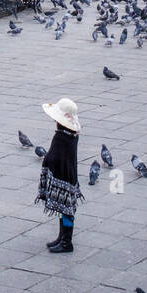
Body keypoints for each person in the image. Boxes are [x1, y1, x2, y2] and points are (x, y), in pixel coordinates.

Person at [35, 98, 84, 254]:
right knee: (64, 209)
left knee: (66, 210)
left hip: (63, 178)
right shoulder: (71, 134)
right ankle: (62, 236)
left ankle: (66, 242)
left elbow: (56, 156)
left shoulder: (62, 137)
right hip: (69, 176)